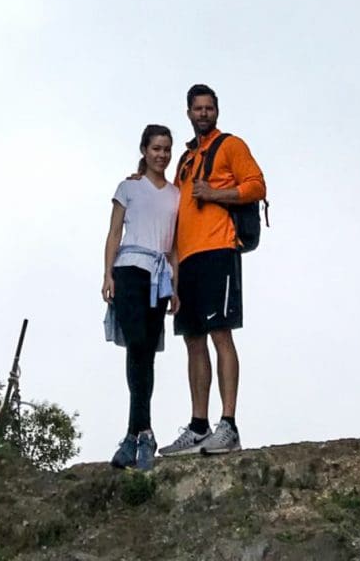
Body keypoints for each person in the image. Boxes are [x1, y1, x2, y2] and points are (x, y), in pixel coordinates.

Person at [159, 86, 266, 457]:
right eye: (197, 108)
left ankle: (229, 424)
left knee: (220, 332)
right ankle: (199, 426)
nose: (203, 113)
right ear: (188, 112)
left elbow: (256, 185)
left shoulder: (231, 145)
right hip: (187, 258)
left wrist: (215, 194)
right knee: (192, 338)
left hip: (219, 248)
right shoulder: (186, 158)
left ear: (217, 110)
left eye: (209, 108)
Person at [102, 124, 180, 471]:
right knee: (136, 344)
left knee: (145, 352)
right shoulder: (129, 187)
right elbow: (114, 230)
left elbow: (174, 244)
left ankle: (135, 436)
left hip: (159, 276)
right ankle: (143, 432)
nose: (161, 155)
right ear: (144, 150)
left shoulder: (176, 195)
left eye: (166, 149)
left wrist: (175, 285)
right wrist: (107, 273)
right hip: (129, 270)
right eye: (156, 149)